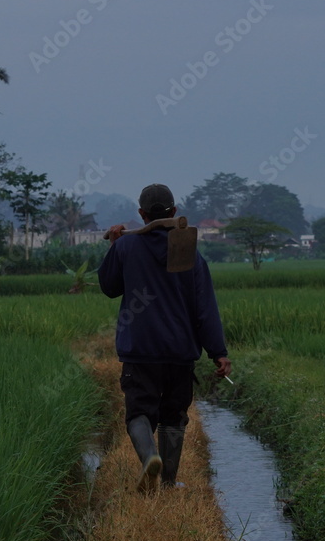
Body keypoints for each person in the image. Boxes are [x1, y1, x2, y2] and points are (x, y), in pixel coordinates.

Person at [98, 183, 231, 494]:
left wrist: (114, 246)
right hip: (179, 350)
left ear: (141, 214)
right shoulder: (189, 252)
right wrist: (218, 351)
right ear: (174, 212)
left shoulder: (126, 246)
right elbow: (204, 306)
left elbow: (109, 287)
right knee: (173, 415)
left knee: (139, 413)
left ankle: (150, 458)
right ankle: (169, 482)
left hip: (140, 349)